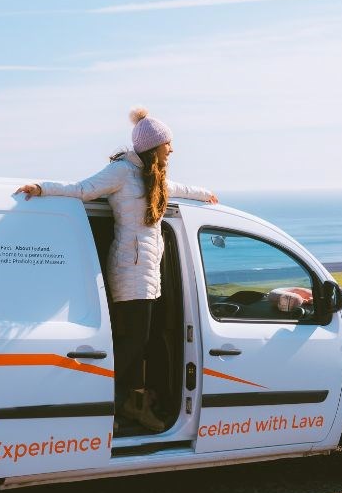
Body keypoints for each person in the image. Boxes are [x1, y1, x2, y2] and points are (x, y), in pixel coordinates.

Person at [16, 107, 217, 433]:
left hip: (148, 272)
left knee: (146, 341)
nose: (172, 149)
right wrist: (42, 188)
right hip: (130, 268)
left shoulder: (152, 177)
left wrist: (205, 195)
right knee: (133, 341)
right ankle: (108, 400)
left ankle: (135, 402)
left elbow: (178, 188)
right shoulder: (122, 172)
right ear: (154, 146)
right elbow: (82, 189)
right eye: (168, 144)